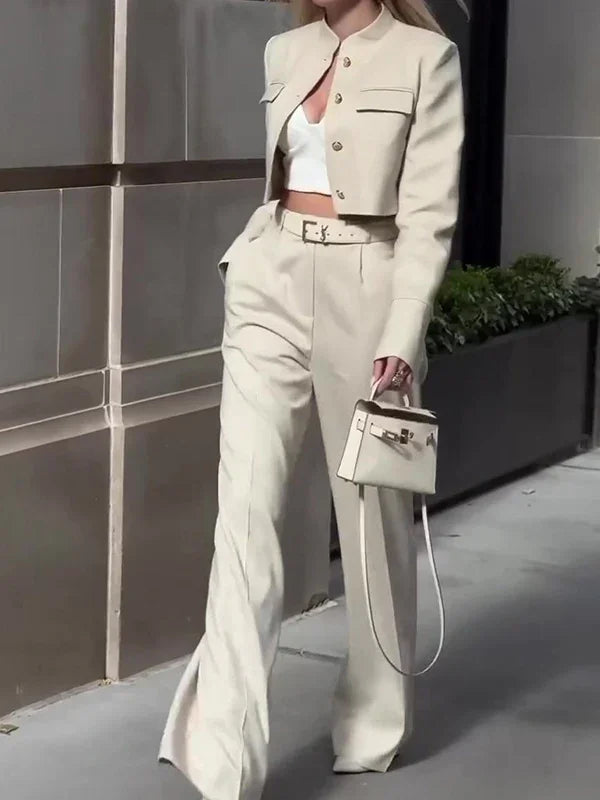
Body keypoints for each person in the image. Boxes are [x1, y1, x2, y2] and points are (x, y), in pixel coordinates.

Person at [158, 1, 465, 797]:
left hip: (368, 289)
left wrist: (402, 332)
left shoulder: (427, 59)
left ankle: (374, 717)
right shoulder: (283, 49)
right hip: (271, 278)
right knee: (245, 514)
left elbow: (428, 217)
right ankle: (222, 759)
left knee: (371, 524)